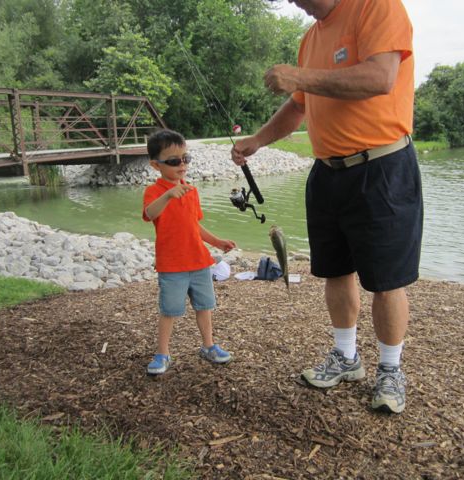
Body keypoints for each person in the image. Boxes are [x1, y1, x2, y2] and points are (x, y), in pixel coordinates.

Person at [231, 0, 422, 413]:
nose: (294, 2)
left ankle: (390, 370)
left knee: (387, 280)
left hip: (382, 167)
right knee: (335, 271)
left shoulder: (376, 6)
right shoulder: (311, 39)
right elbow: (299, 105)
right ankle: (346, 356)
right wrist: (258, 140)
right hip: (327, 173)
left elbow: (380, 77)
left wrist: (299, 76)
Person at [143, 129, 237, 375]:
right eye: (174, 161)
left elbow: (194, 226)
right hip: (172, 264)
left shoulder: (191, 191)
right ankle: (162, 353)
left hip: (199, 261)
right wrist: (167, 195)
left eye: (186, 158)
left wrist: (217, 242)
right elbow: (150, 214)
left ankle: (208, 345)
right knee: (169, 310)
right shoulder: (154, 192)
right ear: (156, 165)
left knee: (204, 306)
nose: (182, 165)